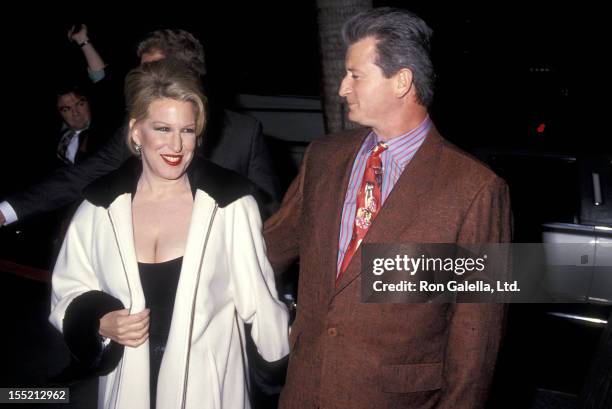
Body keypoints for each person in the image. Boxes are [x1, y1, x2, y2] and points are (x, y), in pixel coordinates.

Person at [263, 8, 511, 409]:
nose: (343, 88)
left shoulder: (476, 190)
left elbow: (476, 339)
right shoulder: (323, 157)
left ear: (401, 81)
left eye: (356, 75)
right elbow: (268, 249)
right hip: (306, 388)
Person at [49, 60, 289, 409]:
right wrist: (100, 320)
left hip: (207, 388)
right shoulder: (98, 208)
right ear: (135, 132)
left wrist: (286, 369)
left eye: (187, 131)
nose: (176, 145)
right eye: (162, 128)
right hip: (125, 383)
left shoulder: (229, 205)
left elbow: (261, 305)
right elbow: (67, 291)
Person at [0, 28, 280, 226]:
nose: (144, 81)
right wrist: (8, 210)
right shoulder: (139, 128)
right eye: (141, 71)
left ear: (189, 74)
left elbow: (269, 218)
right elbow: (81, 176)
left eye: (152, 70)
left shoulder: (243, 133)